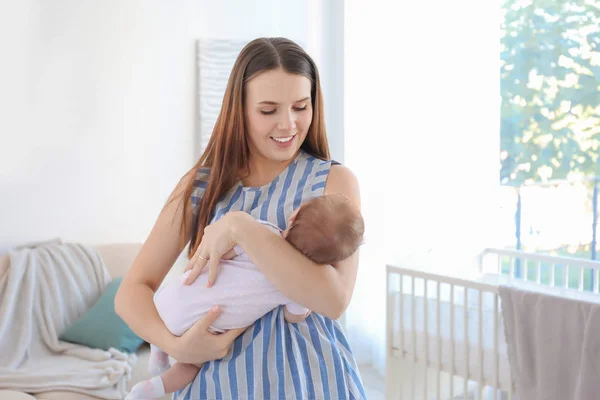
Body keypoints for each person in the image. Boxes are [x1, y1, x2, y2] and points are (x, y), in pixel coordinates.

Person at [115, 36, 367, 399]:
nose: (288, 125)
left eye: (301, 106)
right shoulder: (203, 184)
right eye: (268, 110)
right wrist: (179, 346)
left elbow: (333, 300)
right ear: (240, 109)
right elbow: (131, 293)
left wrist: (240, 227)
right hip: (218, 387)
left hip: (312, 382)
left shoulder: (334, 182)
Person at [126, 194, 365, 399]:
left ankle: (158, 351)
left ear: (293, 216)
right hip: (199, 326)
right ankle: (154, 387)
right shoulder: (296, 289)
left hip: (170, 298)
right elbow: (294, 317)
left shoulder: (261, 231)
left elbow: (223, 252)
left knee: (177, 307)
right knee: (192, 365)